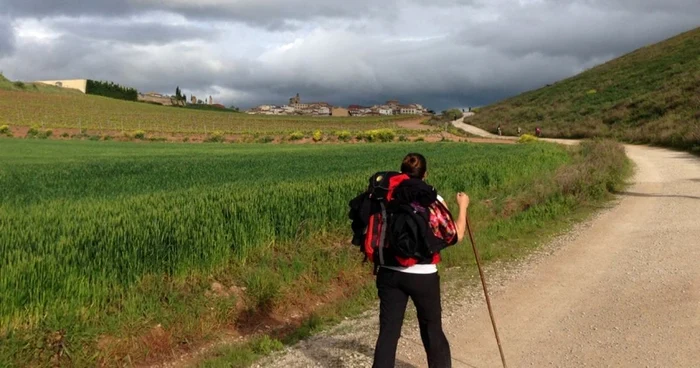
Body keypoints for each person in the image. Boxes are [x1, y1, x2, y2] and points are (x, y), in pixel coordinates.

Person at [372, 153, 470, 368]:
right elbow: (456, 235)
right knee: (431, 328)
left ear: (401, 172)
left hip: (388, 272)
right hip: (423, 275)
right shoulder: (431, 199)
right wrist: (463, 206)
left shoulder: (385, 195)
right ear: (425, 174)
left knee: (388, 333)